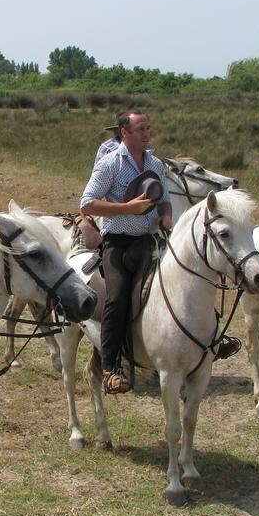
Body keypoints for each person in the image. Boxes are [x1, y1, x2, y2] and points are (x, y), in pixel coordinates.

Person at [80, 110, 172, 394]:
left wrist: (166, 217)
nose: (147, 133)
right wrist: (127, 209)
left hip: (147, 239)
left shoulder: (155, 164)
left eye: (148, 127)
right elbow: (87, 204)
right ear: (125, 133)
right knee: (117, 297)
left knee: (178, 279)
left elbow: (165, 201)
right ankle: (110, 367)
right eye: (141, 129)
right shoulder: (110, 165)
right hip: (117, 243)